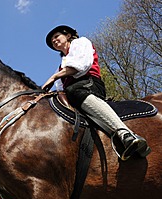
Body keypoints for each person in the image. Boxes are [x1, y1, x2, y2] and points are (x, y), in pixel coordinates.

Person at [42, 25, 151, 161]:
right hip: (76, 93)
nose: (54, 41)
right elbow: (58, 89)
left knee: (73, 90)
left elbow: (80, 66)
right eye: (52, 41)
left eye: (56, 36)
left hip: (89, 84)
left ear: (68, 35)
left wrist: (54, 77)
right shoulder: (61, 65)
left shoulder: (81, 43)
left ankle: (126, 133)